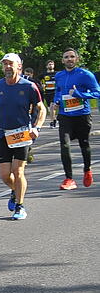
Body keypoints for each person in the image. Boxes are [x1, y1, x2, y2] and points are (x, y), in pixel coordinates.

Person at [0, 53, 47, 220]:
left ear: (19, 66)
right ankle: (15, 190)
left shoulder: (29, 86)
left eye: (10, 63)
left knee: (18, 171)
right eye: (4, 64)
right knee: (5, 175)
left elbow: (41, 109)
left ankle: (20, 206)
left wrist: (37, 127)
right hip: (3, 133)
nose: (7, 67)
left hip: (22, 133)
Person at [53, 48, 99, 190]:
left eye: (72, 57)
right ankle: (69, 178)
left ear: (77, 59)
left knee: (84, 144)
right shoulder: (59, 75)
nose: (69, 59)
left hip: (82, 115)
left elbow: (97, 92)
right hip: (65, 115)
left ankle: (87, 170)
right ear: (62, 60)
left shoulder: (85, 74)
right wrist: (57, 101)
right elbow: (58, 91)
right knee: (64, 145)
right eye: (66, 57)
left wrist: (80, 94)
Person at [39, 60, 58, 127]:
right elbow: (37, 81)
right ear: (47, 66)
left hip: (55, 92)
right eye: (49, 64)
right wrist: (41, 85)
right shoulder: (43, 74)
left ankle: (52, 122)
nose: (51, 65)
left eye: (52, 64)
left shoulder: (57, 74)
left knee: (52, 106)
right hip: (47, 93)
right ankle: (54, 119)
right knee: (50, 109)